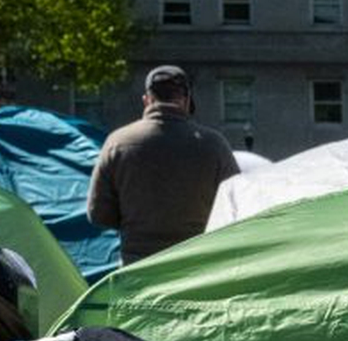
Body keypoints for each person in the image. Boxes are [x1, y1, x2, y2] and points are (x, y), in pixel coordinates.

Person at [87, 66, 240, 264]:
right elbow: (236, 203)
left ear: (146, 100)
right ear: (186, 101)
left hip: (138, 267)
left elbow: (97, 213)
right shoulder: (214, 145)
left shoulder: (117, 142)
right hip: (197, 266)